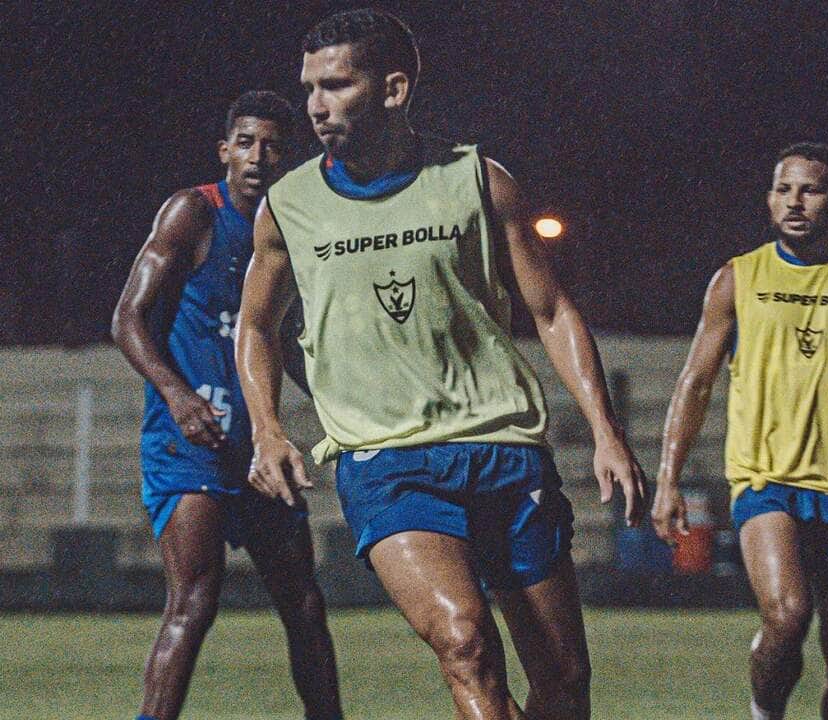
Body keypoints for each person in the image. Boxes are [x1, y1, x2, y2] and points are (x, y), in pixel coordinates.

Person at [235, 10, 647, 719]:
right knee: (464, 643)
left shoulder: (477, 181)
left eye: (336, 84)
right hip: (386, 461)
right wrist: (266, 428)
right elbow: (254, 325)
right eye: (310, 87)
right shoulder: (288, 206)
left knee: (563, 679)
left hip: (502, 450)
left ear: (392, 89)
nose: (315, 104)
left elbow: (550, 311)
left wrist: (606, 433)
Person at [651, 142, 828, 720]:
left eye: (810, 190)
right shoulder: (739, 277)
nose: (795, 202)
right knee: (787, 616)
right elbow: (696, 382)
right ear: (768, 200)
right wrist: (668, 479)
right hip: (768, 478)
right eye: (783, 189)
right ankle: (765, 712)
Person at [111, 91, 343, 720]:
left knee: (304, 603)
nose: (258, 156)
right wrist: (178, 395)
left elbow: (289, 339)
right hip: (189, 443)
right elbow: (127, 318)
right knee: (194, 601)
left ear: (288, 156)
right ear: (225, 150)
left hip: (257, 446)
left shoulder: (295, 225)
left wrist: (337, 402)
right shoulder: (194, 212)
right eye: (245, 142)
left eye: (271, 145)